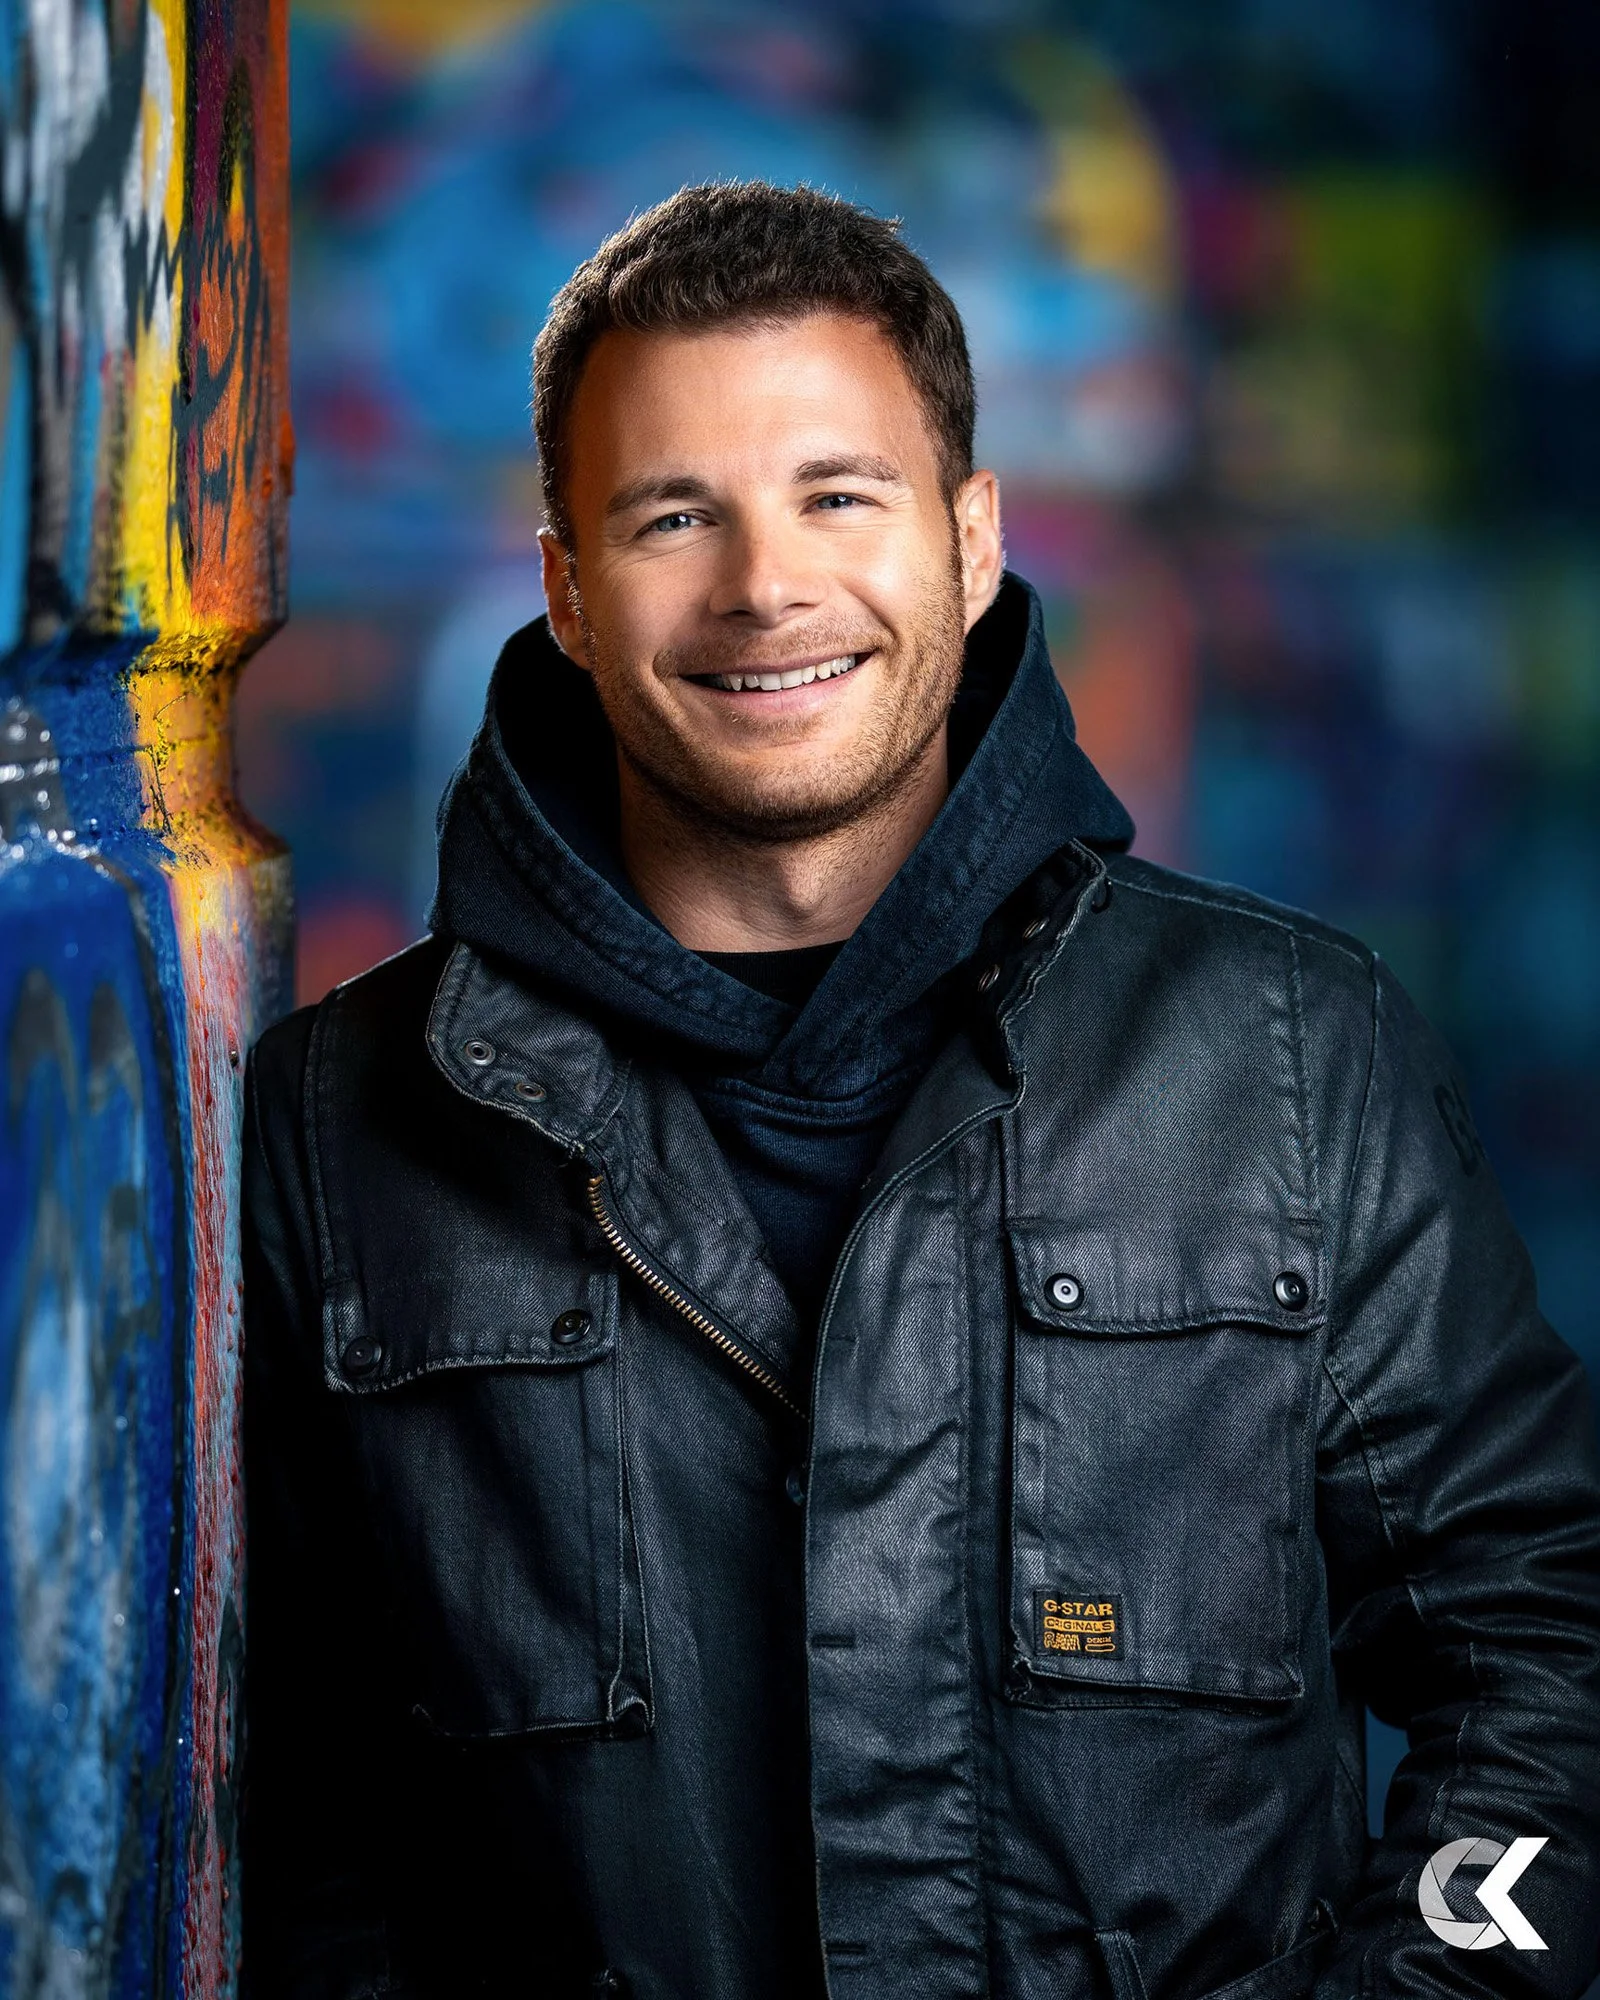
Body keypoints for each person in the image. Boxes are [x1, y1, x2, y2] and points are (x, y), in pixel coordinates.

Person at [240, 182, 1600, 2000]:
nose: (765, 587)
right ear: (567, 589)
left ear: (970, 542)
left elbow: (1542, 1648)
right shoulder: (337, 1123)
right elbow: (291, 1808)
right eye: (673, 515)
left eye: (839, 495)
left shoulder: (1292, 1053)